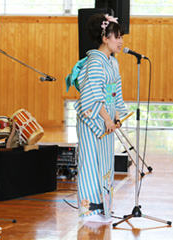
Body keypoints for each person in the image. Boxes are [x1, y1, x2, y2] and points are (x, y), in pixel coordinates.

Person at [66, 13, 128, 222]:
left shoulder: (113, 63)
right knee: (90, 163)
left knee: (105, 164)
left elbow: (115, 92)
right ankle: (88, 210)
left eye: (121, 37)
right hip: (93, 118)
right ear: (105, 38)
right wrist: (106, 119)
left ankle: (103, 208)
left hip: (107, 118)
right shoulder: (94, 62)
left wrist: (117, 116)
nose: (120, 41)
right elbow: (93, 94)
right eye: (117, 37)